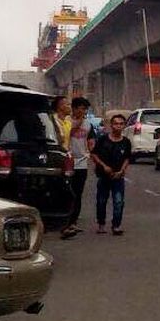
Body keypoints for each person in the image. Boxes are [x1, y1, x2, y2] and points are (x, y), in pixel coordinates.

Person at [90, 114, 132, 235]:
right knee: (101, 201)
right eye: (116, 123)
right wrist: (104, 166)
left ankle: (116, 225)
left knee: (118, 201)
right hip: (104, 176)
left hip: (118, 177)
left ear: (124, 126)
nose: (118, 126)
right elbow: (94, 154)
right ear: (111, 125)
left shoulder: (126, 142)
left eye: (121, 124)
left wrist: (122, 171)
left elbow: (127, 158)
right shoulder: (103, 140)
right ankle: (101, 224)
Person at [61, 97, 95, 239]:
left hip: (81, 163)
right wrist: (79, 119)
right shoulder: (66, 121)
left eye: (85, 109)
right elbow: (70, 130)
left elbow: (91, 140)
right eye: (80, 108)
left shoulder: (88, 125)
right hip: (67, 162)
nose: (83, 111)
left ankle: (73, 222)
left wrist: (91, 152)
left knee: (78, 193)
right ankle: (65, 221)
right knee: (68, 192)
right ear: (74, 108)